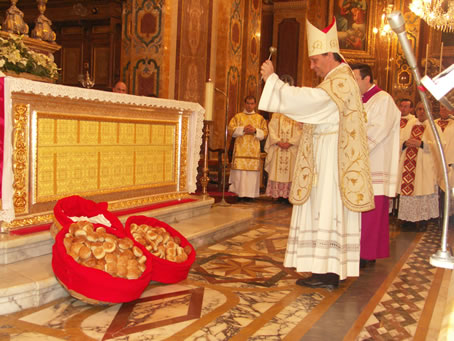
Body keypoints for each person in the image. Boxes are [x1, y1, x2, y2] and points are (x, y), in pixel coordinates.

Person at [259, 18, 374, 290]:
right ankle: (323, 269)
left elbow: (312, 102)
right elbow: (316, 108)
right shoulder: (337, 80)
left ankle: (328, 273)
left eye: (314, 60)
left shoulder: (341, 82)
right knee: (319, 210)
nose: (312, 66)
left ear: (329, 55)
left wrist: (273, 81)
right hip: (324, 152)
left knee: (325, 209)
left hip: (330, 158)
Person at [350, 63, 400, 268]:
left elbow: (377, 131)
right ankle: (357, 251)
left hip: (374, 164)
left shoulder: (383, 100)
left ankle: (366, 253)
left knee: (371, 214)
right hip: (358, 165)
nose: (352, 84)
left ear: (367, 78)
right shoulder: (358, 100)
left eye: (355, 79)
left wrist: (352, 152)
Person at [397, 101, 439, 231]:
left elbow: (439, 146)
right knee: (408, 194)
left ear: (429, 111)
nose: (421, 112)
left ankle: (422, 220)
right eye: (419, 109)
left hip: (423, 165)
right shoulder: (410, 123)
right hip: (408, 165)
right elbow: (399, 139)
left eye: (424, 109)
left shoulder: (433, 126)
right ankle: (407, 220)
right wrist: (405, 143)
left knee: (422, 192)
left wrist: (421, 144)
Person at [264, 75, 302, 203]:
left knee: (292, 171)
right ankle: (278, 195)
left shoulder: (297, 111)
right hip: (278, 147)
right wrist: (278, 141)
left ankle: (289, 196)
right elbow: (272, 128)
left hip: (291, 149)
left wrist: (290, 142)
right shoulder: (276, 111)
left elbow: (300, 129)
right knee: (276, 170)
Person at [228, 96, 268, 202]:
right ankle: (239, 194)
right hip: (240, 149)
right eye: (248, 103)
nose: (250, 106)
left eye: (252, 104)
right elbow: (230, 130)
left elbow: (265, 133)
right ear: (244, 104)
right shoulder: (238, 117)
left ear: (255, 104)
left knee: (251, 174)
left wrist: (255, 131)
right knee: (240, 173)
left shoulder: (260, 118)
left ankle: (250, 195)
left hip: (253, 150)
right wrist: (243, 129)